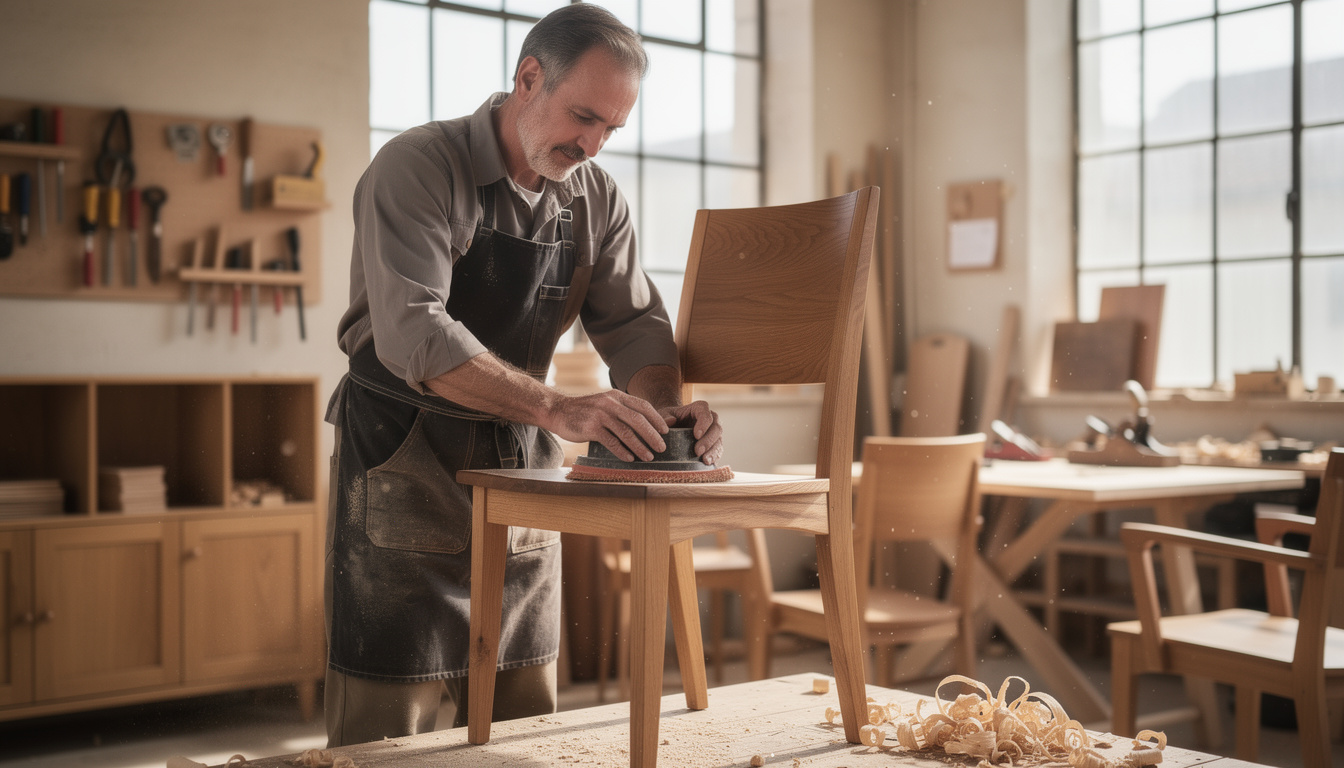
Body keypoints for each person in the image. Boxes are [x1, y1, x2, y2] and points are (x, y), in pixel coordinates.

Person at [323, 3, 724, 748]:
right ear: (528, 78)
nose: (593, 143)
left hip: (524, 466)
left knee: (526, 727)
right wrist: (562, 410)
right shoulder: (420, 166)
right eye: (582, 116)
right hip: (407, 455)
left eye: (611, 128)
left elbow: (636, 326)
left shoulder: (596, 197)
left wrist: (668, 411)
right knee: (386, 730)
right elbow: (415, 330)